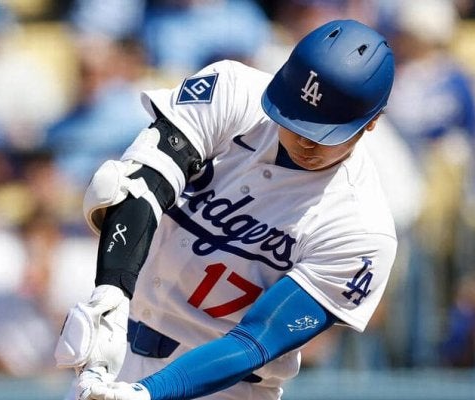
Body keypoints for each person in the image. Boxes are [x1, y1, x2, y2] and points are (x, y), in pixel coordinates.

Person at [55, 19, 397, 400]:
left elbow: (256, 341)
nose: (304, 137)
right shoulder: (233, 91)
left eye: (322, 129)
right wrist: (111, 294)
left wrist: (147, 393)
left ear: (371, 123)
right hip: (121, 349)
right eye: (296, 114)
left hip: (225, 386)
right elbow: (141, 186)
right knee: (114, 183)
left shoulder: (362, 229)